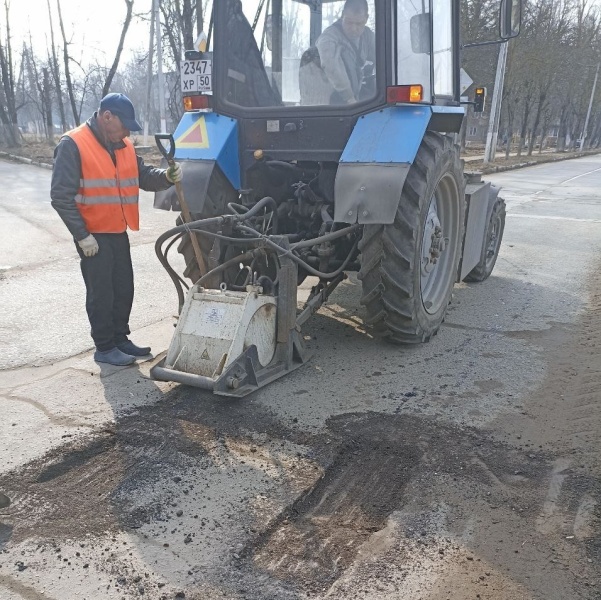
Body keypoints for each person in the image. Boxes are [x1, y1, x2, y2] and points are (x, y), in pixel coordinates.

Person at [51, 93, 183, 366]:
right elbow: (60, 196)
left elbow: (143, 176)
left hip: (117, 229)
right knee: (101, 292)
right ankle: (105, 347)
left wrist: (166, 178)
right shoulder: (73, 144)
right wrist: (82, 236)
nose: (125, 133)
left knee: (123, 288)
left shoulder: (123, 146)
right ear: (106, 116)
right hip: (92, 235)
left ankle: (120, 339)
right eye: (123, 126)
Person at [315, 0, 376, 105]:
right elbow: (331, 66)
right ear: (342, 15)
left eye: (359, 23)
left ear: (366, 18)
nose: (353, 28)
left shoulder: (367, 36)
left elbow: (383, 58)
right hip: (333, 102)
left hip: (355, 97)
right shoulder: (328, 38)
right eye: (349, 22)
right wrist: (349, 98)